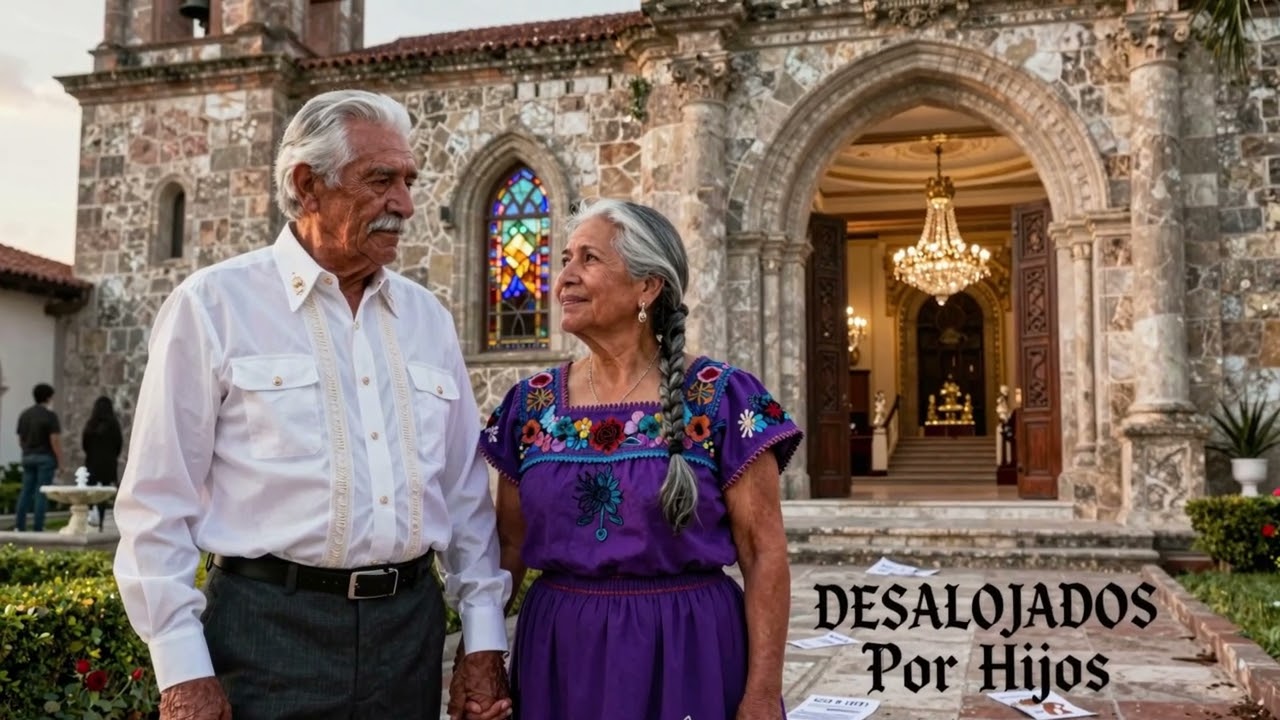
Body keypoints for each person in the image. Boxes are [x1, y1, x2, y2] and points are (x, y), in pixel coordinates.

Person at [113, 90, 512, 720]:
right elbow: (157, 504)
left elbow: (464, 499)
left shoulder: (428, 320)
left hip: (409, 634)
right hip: (266, 634)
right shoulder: (213, 306)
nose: (404, 204)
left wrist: (483, 643)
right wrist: (183, 671)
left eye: (408, 181)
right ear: (307, 184)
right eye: (381, 180)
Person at [474, 199, 801, 720]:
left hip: (686, 651)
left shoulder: (722, 399)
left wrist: (762, 694)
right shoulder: (529, 405)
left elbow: (763, 553)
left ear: (648, 287)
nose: (565, 278)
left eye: (589, 259)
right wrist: (481, 658)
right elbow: (508, 546)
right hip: (560, 656)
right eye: (564, 259)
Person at [15, 383, 62, 532]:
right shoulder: (50, 416)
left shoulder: (25, 414)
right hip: (45, 458)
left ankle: (20, 526)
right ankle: (38, 526)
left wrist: (27, 451)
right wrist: (60, 461)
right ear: (48, 397)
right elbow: (54, 440)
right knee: (41, 493)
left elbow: (20, 439)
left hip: (28, 456)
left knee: (26, 491)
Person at [81, 395, 123, 528]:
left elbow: (85, 444)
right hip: (108, 463)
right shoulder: (114, 425)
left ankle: (90, 517)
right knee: (103, 493)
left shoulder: (90, 424)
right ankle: (100, 522)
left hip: (92, 462)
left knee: (91, 490)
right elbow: (118, 444)